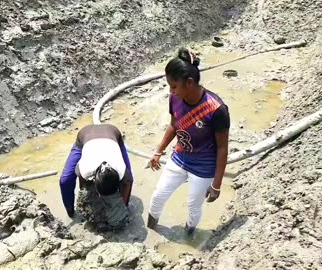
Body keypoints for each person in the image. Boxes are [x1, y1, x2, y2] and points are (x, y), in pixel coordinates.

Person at [147, 48, 230, 235]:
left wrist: (216, 184)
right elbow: (174, 125)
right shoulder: (175, 98)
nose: (171, 91)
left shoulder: (216, 110)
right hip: (180, 157)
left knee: (193, 207)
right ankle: (151, 230)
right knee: (158, 196)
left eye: (174, 86)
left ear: (190, 83)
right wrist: (158, 152)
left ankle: (188, 235)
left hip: (203, 167)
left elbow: (223, 148)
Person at [59, 123, 134, 218]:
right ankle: (70, 212)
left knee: (129, 179)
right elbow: (82, 184)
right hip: (86, 135)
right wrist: (84, 203)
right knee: (65, 181)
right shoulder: (85, 169)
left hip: (113, 134)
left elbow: (128, 183)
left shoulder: (121, 170)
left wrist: (122, 209)